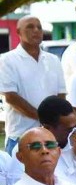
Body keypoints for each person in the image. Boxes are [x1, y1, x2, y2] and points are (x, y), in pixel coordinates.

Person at [0, 16, 66, 154]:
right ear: (18, 32)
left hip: (50, 136)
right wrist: (44, 119)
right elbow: (11, 97)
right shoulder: (7, 60)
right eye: (30, 27)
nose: (36, 30)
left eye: (39, 27)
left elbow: (61, 95)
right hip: (21, 136)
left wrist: (54, 121)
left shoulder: (53, 60)